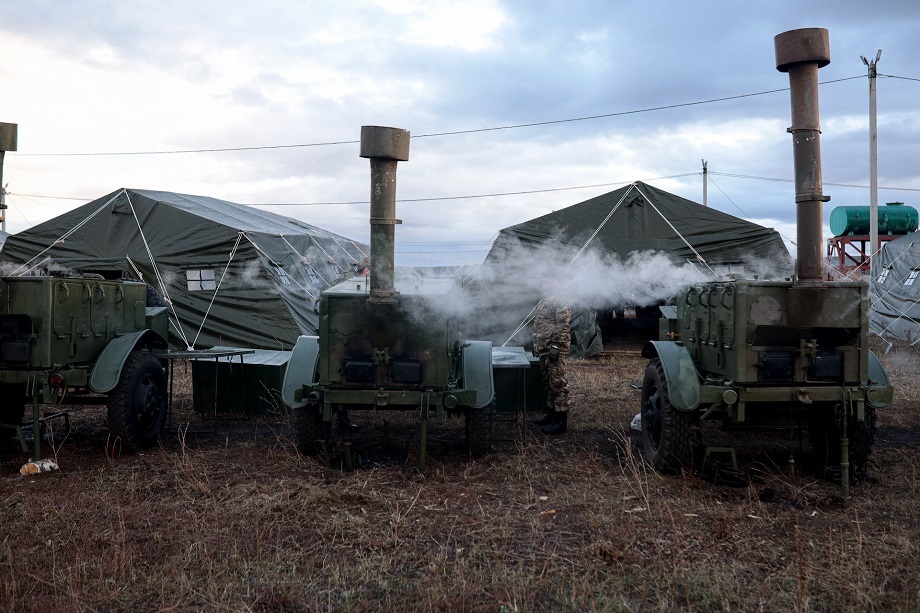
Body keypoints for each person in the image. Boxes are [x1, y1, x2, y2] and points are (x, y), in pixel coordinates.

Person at [532, 279, 572, 434]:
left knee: (558, 383)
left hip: (554, 348)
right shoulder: (547, 297)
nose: (543, 281)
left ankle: (561, 422)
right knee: (548, 383)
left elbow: (563, 324)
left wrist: (556, 345)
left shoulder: (561, 296)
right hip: (544, 348)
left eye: (547, 278)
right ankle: (551, 415)